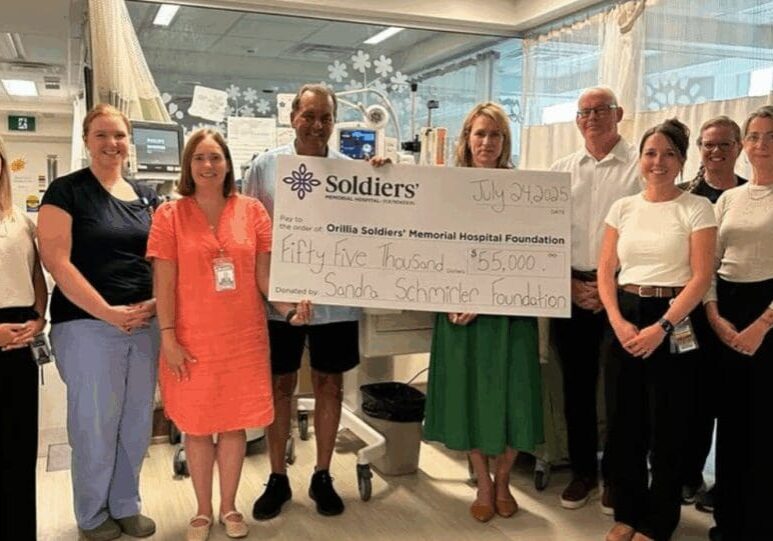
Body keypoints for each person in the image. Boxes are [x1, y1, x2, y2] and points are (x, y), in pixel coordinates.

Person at [148, 128, 311, 541]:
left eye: (215, 158)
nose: (208, 166)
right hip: (190, 339)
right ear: (188, 165)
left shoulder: (252, 211)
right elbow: (163, 284)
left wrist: (290, 308)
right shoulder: (169, 215)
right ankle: (202, 512)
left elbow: (264, 278)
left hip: (242, 338)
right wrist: (168, 336)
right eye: (200, 158)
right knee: (199, 428)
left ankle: (229, 507)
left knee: (235, 426)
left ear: (227, 164)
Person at [38, 104, 159, 541]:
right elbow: (57, 261)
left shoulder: (148, 196)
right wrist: (107, 312)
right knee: (94, 424)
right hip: (87, 326)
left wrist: (156, 302)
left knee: (135, 422)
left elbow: (163, 259)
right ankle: (92, 514)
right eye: (102, 135)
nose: (112, 144)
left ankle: (126, 504)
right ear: (87, 140)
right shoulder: (66, 191)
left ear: (130, 142)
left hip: (145, 326)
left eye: (120, 136)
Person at [422, 102, 543, 522]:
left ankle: (505, 479)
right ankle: (483, 481)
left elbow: (529, 257)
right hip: (458, 312)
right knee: (468, 396)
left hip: (508, 313)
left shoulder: (524, 192)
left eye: (495, 135)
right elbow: (431, 249)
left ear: (504, 142)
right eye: (479, 134)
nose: (487, 142)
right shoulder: (445, 187)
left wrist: (486, 297)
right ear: (466, 139)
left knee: (514, 397)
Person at [245, 83, 362, 519]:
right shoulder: (265, 167)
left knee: (331, 383)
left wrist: (386, 174)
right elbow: (250, 234)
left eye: (325, 117)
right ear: (293, 116)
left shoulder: (354, 171)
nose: (317, 125)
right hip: (280, 301)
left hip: (337, 300)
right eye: (309, 115)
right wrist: (273, 295)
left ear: (334, 122)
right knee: (280, 385)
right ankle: (277, 477)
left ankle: (323, 474)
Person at [597, 118, 716, 541]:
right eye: (650, 153)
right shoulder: (623, 208)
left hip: (677, 317)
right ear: (641, 159)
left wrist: (663, 326)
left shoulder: (696, 208)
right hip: (625, 314)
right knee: (624, 422)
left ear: (682, 161)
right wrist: (616, 319)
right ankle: (628, 513)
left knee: (668, 426)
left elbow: (701, 277)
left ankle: (658, 521)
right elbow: (606, 270)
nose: (658, 161)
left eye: (668, 154)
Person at [549, 86, 640, 512]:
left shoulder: (642, 169)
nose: (592, 118)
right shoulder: (561, 170)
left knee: (622, 390)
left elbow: (647, 240)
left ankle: (618, 479)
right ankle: (584, 473)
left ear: (618, 114)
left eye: (601, 110)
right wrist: (568, 285)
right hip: (570, 290)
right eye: (584, 111)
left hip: (622, 294)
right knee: (577, 388)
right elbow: (546, 238)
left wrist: (610, 290)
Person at [705, 105, 773, 541]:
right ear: (743, 144)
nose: (761, 145)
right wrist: (712, 314)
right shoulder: (730, 196)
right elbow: (708, 263)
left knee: (763, 425)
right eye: (754, 137)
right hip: (725, 312)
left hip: (766, 315)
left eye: (770, 137)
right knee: (729, 424)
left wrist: (764, 323)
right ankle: (727, 523)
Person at [677, 116, 746, 511]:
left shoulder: (750, 194)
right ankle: (686, 474)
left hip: (734, 311)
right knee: (692, 400)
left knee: (732, 403)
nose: (716, 152)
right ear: (699, 150)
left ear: (738, 148)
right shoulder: (685, 194)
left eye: (724, 144)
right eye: (708, 145)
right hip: (690, 313)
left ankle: (726, 484)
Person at [0, 135, 48, 540]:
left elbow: (36, 277)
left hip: (20, 339)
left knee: (19, 449)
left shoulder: (20, 221)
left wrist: (38, 318)